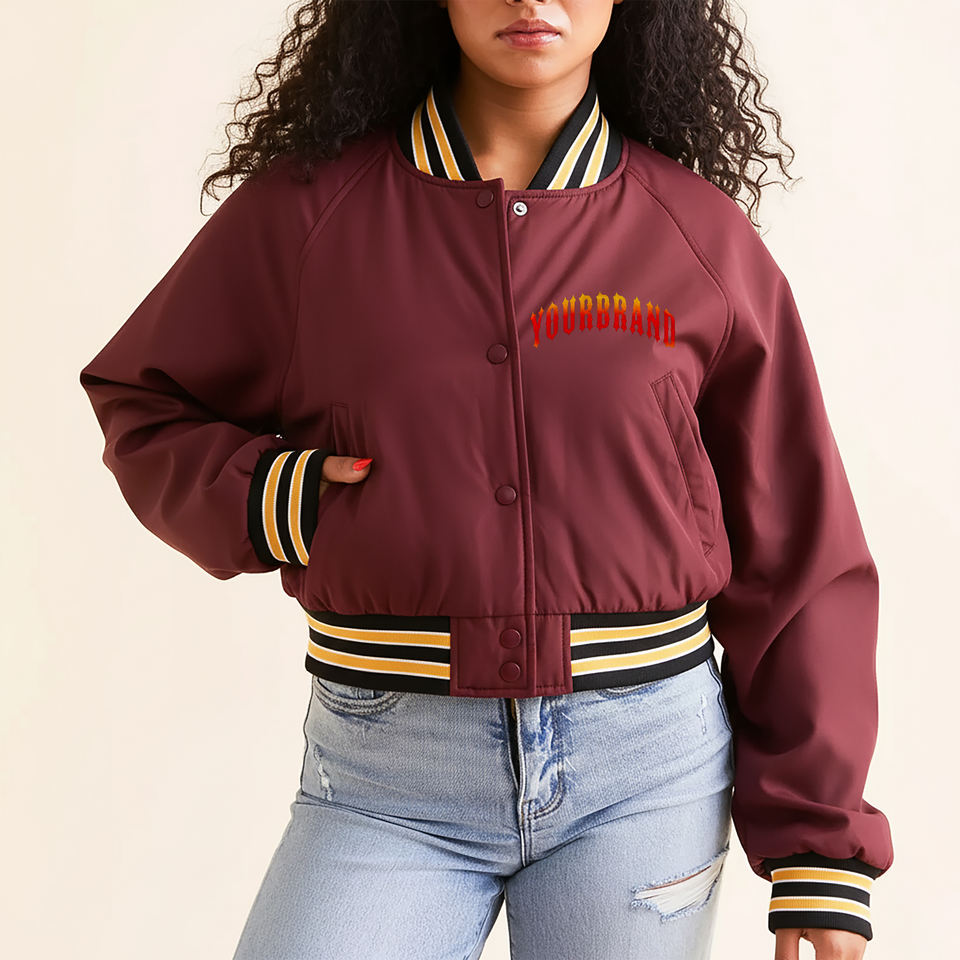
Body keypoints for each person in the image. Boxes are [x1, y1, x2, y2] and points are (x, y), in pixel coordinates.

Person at [78, 2, 894, 958]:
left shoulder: (695, 233)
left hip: (647, 770)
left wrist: (820, 845)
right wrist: (276, 500)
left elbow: (798, 543)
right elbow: (144, 398)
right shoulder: (307, 215)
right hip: (385, 775)